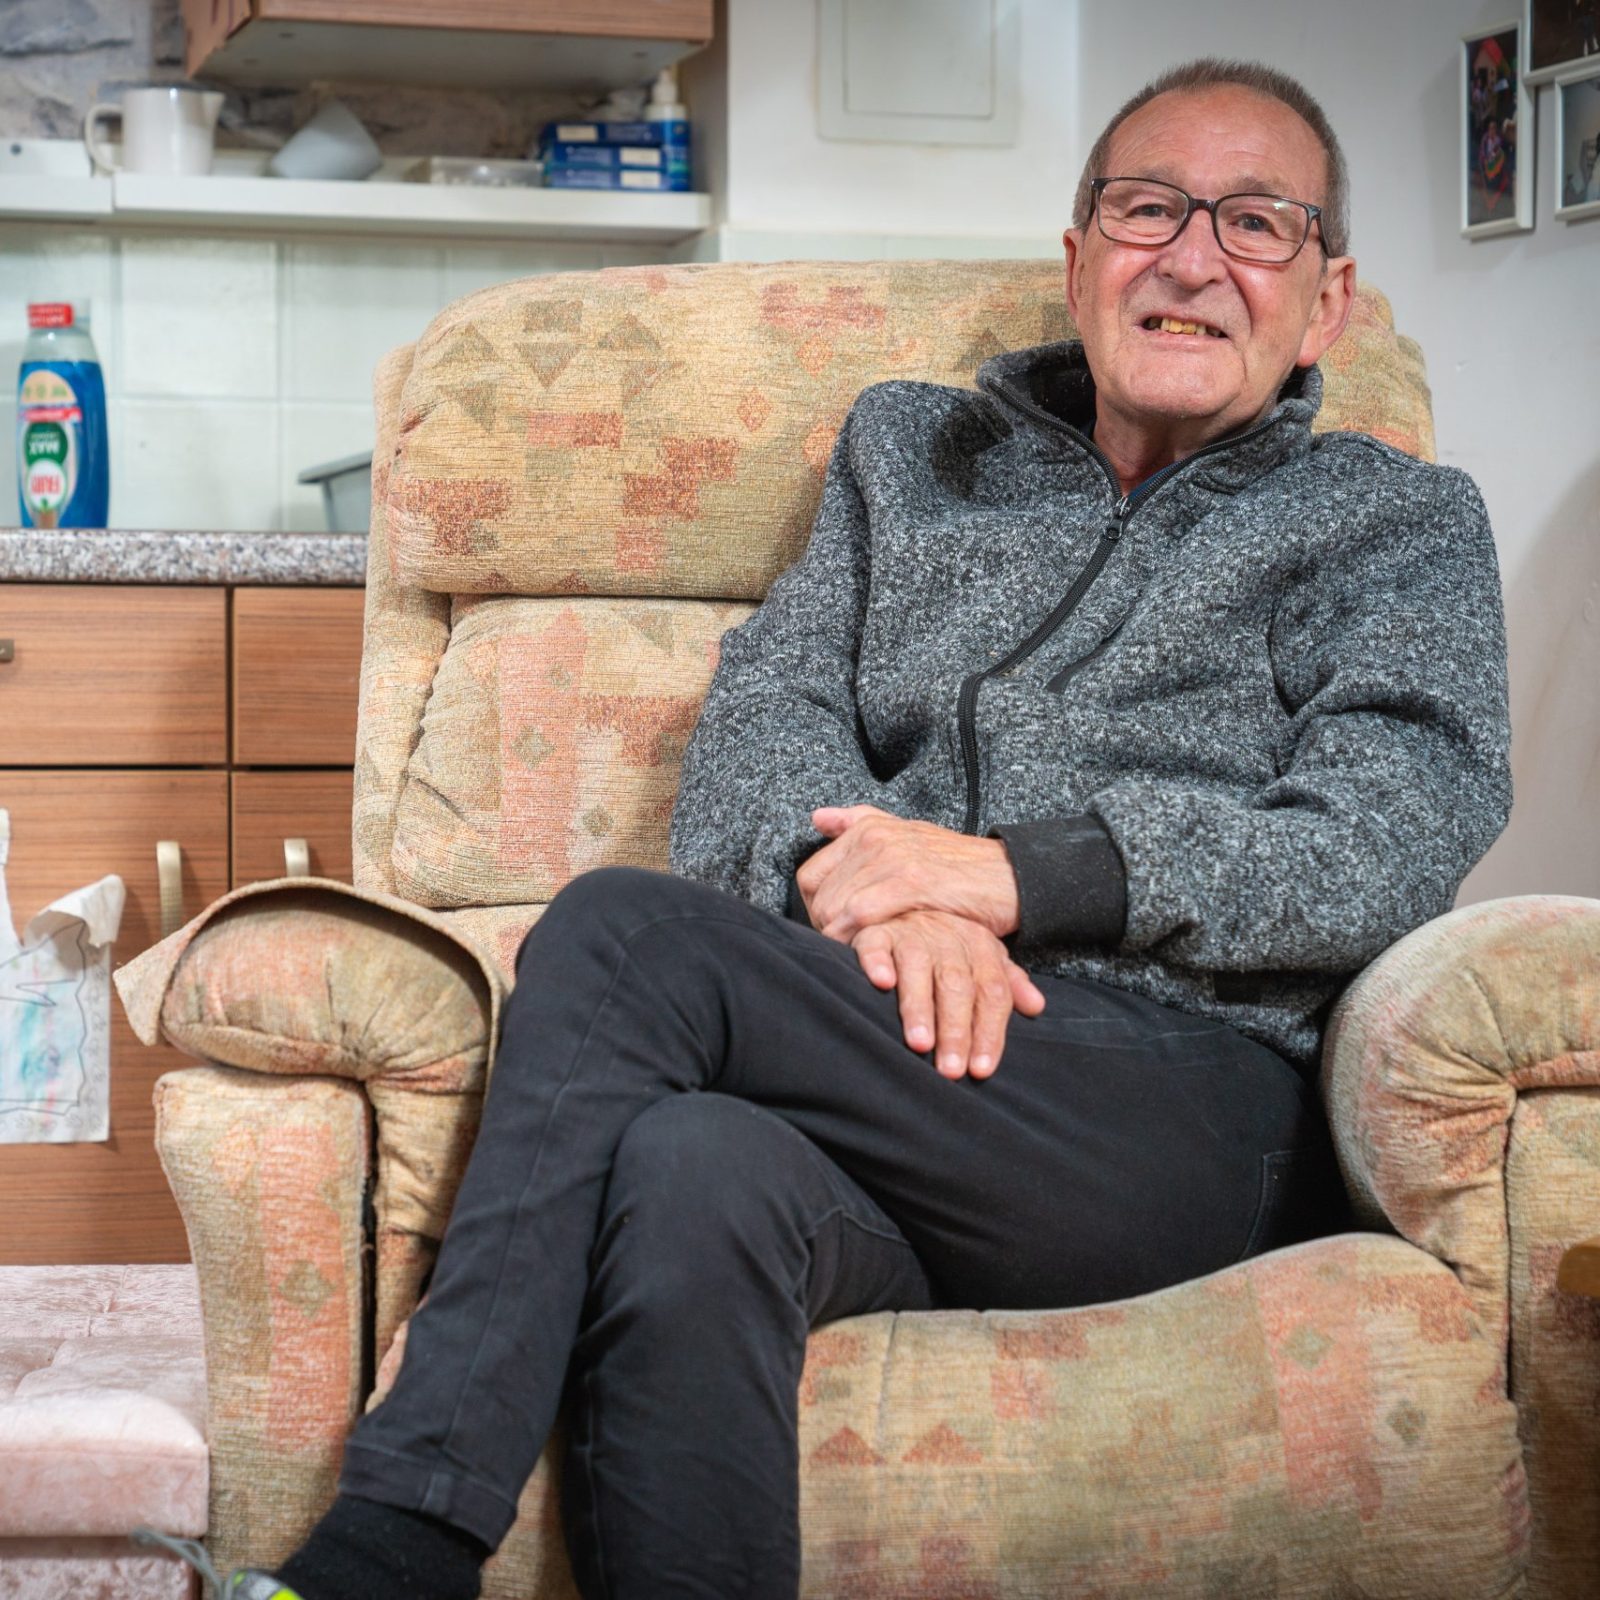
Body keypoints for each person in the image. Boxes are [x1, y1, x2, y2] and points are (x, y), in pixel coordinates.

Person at [189, 55, 1512, 1600]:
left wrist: (1019, 877)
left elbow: (1388, 832)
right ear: (1080, 261)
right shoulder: (914, 458)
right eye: (1150, 208)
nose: (1194, 257)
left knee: (620, 935)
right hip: (898, 1061)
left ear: (1328, 298)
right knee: (692, 1172)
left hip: (1178, 1110)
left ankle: (396, 1544)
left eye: (1256, 224)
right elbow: (766, 721)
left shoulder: (1398, 523)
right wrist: (896, 898)